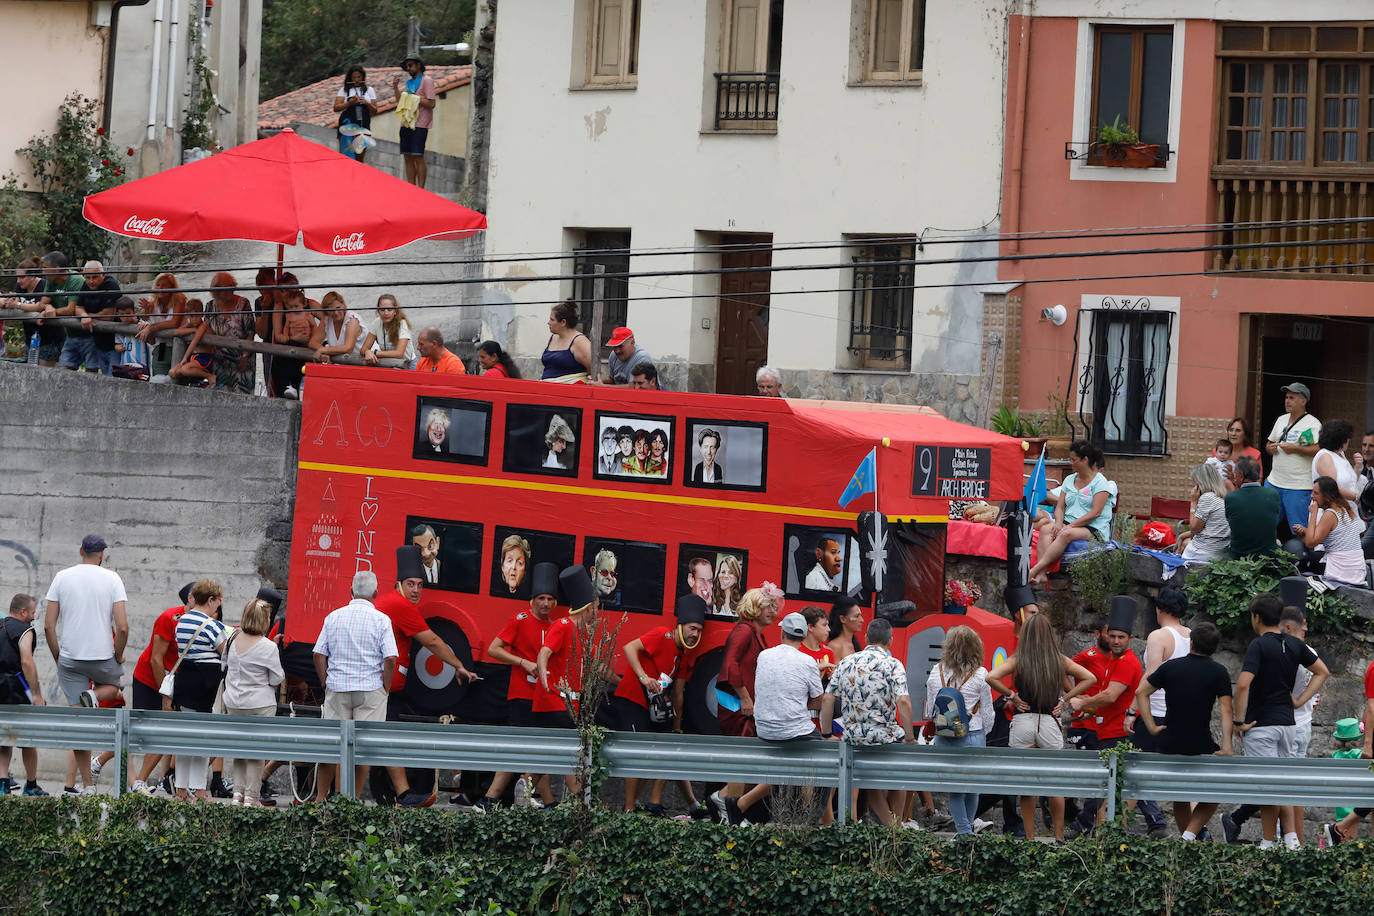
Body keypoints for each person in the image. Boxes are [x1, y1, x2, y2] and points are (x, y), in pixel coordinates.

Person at [373, 546, 477, 807]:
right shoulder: (400, 605)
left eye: (420, 584)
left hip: (384, 689)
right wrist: (458, 666)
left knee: (384, 740)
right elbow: (432, 641)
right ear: (399, 584)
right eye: (410, 584)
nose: (416, 590)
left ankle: (403, 794)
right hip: (379, 688)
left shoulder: (391, 602)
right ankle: (404, 794)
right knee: (386, 741)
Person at [1230, 592, 1328, 850]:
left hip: (1262, 725)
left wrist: (1239, 722)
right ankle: (1292, 838)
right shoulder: (1295, 644)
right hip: (1288, 725)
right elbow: (1322, 671)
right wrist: (1299, 701)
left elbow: (1242, 685)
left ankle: (1267, 841)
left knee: (1265, 785)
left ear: (1257, 617)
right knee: (1282, 782)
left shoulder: (1259, 645)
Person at [986, 614, 1096, 841]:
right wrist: (1065, 700)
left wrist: (1012, 696)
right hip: (1048, 722)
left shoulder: (1019, 659)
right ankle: (1058, 837)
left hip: (1023, 721)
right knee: (1054, 784)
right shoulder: (1059, 659)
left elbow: (991, 676)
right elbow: (1089, 678)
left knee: (1026, 785)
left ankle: (1029, 838)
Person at [718, 611, 824, 827]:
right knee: (825, 761)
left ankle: (741, 805)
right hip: (794, 731)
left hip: (764, 729)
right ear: (804, 637)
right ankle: (811, 818)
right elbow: (818, 702)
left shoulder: (764, 656)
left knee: (789, 764)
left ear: (782, 633)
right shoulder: (808, 661)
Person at [1065, 597, 1160, 837]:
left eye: (1121, 637)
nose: (1115, 641)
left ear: (1130, 639)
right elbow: (1108, 703)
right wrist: (1087, 708)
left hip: (1118, 735)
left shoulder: (1126, 662)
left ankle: (1110, 836)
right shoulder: (1112, 660)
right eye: (1113, 636)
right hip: (1107, 731)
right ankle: (1116, 835)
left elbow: (1110, 696)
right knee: (1108, 789)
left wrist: (1081, 701)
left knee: (1109, 790)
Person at [42, 533, 129, 794]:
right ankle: (93, 694)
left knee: (78, 721)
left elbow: (48, 625)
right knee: (115, 690)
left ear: (81, 550)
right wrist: (118, 654)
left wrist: (59, 658)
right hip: (103, 658)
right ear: (102, 554)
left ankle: (87, 786)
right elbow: (123, 627)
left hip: (70, 658)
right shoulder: (112, 578)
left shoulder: (61, 577)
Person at [1135, 621, 1233, 841]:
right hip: (1200, 742)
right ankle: (1189, 836)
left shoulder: (1171, 667)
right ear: (1214, 648)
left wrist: (1151, 726)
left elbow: (1141, 692)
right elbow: (1227, 709)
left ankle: (1187, 839)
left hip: (1169, 742)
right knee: (1216, 792)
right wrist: (1227, 746)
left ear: (1191, 643)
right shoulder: (1219, 672)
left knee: (1180, 796)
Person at [478, 562, 563, 811]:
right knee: (519, 748)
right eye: (541, 599)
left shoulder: (555, 626)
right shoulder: (520, 619)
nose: (546, 604)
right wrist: (523, 662)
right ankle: (490, 799)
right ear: (532, 600)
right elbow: (494, 649)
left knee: (541, 750)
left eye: (550, 599)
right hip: (522, 695)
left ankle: (546, 801)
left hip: (544, 696)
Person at [611, 594, 706, 815]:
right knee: (636, 754)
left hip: (656, 708)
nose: (695, 634)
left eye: (699, 630)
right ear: (680, 626)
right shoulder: (662, 634)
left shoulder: (684, 655)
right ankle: (629, 808)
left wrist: (676, 727)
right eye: (692, 628)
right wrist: (643, 677)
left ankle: (644, 803)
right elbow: (629, 648)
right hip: (632, 700)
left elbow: (679, 692)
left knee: (664, 750)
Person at [820, 618, 914, 827]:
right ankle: (895, 827)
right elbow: (904, 701)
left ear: (866, 638)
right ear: (890, 640)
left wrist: (826, 734)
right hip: (885, 736)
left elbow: (827, 699)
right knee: (901, 777)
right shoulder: (893, 664)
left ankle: (891, 826)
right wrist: (909, 737)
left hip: (853, 738)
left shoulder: (846, 662)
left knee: (866, 779)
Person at [313, 571, 398, 799]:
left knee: (330, 748)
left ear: (350, 592)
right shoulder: (382, 620)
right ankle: (352, 800)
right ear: (376, 594)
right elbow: (390, 659)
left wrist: (325, 682)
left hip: (337, 688)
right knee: (362, 751)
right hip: (370, 690)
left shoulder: (334, 617)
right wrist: (385, 688)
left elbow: (319, 654)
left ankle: (321, 798)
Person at [709, 585, 783, 822]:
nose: (773, 610)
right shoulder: (744, 631)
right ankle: (730, 809)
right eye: (768, 606)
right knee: (744, 758)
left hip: (745, 707)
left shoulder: (755, 633)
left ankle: (724, 801)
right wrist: (745, 697)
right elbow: (731, 665)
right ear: (755, 607)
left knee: (746, 759)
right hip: (737, 706)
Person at [923, 625, 993, 835]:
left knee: (955, 790)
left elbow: (930, 709)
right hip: (972, 735)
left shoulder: (937, 672)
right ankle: (965, 834)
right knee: (973, 789)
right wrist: (981, 732)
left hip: (944, 737)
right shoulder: (981, 675)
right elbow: (988, 713)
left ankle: (965, 834)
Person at [126, 581, 193, 795]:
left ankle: (139, 782)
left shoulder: (209, 620)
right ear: (190, 600)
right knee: (139, 733)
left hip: (174, 682)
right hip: (149, 678)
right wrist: (164, 694)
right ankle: (100, 763)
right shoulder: (169, 618)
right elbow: (156, 659)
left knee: (163, 733)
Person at [172, 579, 231, 801]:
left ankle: (180, 790)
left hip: (184, 684)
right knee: (203, 738)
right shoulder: (212, 626)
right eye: (218, 600)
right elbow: (226, 653)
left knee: (184, 738)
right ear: (210, 600)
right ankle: (199, 790)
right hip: (205, 687)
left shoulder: (181, 621)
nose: (219, 605)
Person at [222, 598, 284, 806]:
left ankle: (237, 794)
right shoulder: (268, 646)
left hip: (233, 703)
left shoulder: (232, 639)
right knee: (257, 751)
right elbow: (277, 678)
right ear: (265, 620)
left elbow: (224, 665)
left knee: (239, 749)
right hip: (259, 704)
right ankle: (251, 796)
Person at [1029, 441, 1116, 584]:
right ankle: (1042, 575)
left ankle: (1035, 569)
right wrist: (1058, 522)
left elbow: (1095, 513)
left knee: (1065, 534)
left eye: (1073, 460)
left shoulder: (1101, 483)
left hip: (1093, 528)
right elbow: (1060, 506)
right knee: (1046, 529)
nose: (1071, 463)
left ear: (1085, 460)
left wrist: (1070, 526)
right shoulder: (1070, 479)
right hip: (1068, 522)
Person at [181, 272, 263, 393]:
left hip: (242, 361)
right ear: (217, 291)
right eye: (226, 287)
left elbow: (250, 332)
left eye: (232, 286)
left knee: (242, 396)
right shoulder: (210, 307)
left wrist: (245, 355)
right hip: (219, 361)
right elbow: (204, 328)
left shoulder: (243, 304)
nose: (230, 290)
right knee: (220, 395)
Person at [0, 594, 46, 797]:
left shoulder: (0, 626)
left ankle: (2, 784)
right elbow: (27, 661)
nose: (33, 617)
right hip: (17, 687)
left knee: (4, 737)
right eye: (32, 612)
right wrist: (36, 694)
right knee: (28, 737)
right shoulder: (25, 630)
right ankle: (31, 784)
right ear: (23, 612)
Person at [1265, 382, 1322, 536]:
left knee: (1299, 530)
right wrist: (1269, 448)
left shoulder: (1313, 423)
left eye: (1292, 398)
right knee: (1265, 525)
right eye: (1286, 397)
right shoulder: (1281, 419)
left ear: (1303, 401)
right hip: (1274, 482)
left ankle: (1300, 559)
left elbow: (1318, 450)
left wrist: (1295, 448)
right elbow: (1269, 443)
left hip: (1298, 486)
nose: (1287, 401)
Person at [1292, 476, 1367, 587]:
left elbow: (1310, 543)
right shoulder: (1344, 508)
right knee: (1315, 555)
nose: (1311, 496)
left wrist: (1313, 514)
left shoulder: (1330, 514)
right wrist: (1304, 532)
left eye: (1315, 493)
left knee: (1300, 558)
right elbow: (1327, 536)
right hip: (1355, 567)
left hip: (1342, 570)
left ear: (1326, 496)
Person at [392, 55, 436, 187]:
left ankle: (421, 189)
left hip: (420, 124)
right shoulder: (410, 84)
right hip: (406, 123)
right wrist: (395, 88)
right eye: (407, 66)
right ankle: (411, 187)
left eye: (410, 65)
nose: (408, 68)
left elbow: (431, 103)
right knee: (407, 156)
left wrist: (414, 98)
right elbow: (401, 102)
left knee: (418, 156)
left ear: (418, 65)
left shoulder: (426, 80)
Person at [1225, 455, 1281, 558]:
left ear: (1241, 476)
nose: (1234, 477)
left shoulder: (1231, 497)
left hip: (1239, 556)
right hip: (1268, 557)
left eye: (1235, 474)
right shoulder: (1273, 494)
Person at [270, 281, 319, 397]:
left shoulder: (308, 315)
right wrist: (287, 337)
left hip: (306, 345)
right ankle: (290, 386)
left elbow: (315, 327)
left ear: (303, 304)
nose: (294, 309)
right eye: (291, 307)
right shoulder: (289, 316)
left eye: (296, 306)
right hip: (293, 343)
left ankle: (298, 387)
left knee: (300, 366)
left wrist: (314, 340)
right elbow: (286, 328)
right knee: (288, 362)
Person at [1176, 464, 1232, 562]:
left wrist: (1193, 503)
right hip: (1220, 552)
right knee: (1185, 542)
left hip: (1204, 553)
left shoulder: (1208, 498)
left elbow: (1194, 528)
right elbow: (1209, 530)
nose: (1192, 487)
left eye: (1194, 483)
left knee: (1183, 545)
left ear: (1200, 483)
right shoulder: (1223, 498)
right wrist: (1182, 535)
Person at [1312, 418, 1364, 516]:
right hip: (1331, 515)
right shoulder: (1325, 456)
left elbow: (1351, 482)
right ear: (1340, 439)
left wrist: (1358, 467)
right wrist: (1358, 497)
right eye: (1347, 437)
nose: (1349, 440)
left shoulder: (1340, 454)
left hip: (1346, 511)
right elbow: (1333, 489)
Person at [334, 66, 378, 161]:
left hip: (363, 124)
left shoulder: (369, 90)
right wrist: (350, 103)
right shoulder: (344, 90)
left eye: (359, 77)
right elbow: (336, 108)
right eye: (354, 77)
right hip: (347, 124)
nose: (356, 80)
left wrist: (367, 103)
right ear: (350, 78)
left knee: (359, 156)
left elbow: (374, 111)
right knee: (346, 154)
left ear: (363, 77)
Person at [540, 301, 591, 383]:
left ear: (563, 322)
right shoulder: (553, 337)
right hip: (547, 389)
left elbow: (593, 368)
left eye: (552, 320)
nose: (548, 323)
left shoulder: (580, 341)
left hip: (569, 391)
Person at [361, 294, 416, 368]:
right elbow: (363, 349)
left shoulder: (402, 324)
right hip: (389, 363)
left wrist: (374, 352)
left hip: (408, 364)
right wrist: (367, 352)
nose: (386, 313)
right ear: (378, 311)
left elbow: (399, 353)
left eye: (389, 310)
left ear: (395, 311)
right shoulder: (376, 322)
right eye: (382, 310)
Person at [309, 291, 364, 364]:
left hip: (365, 362)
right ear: (326, 312)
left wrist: (323, 350)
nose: (336, 313)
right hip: (344, 364)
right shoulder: (326, 320)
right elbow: (313, 342)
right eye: (331, 310)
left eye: (338, 308)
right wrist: (324, 351)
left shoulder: (352, 320)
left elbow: (348, 348)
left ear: (343, 304)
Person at [1217, 417, 1263, 488]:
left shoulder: (1255, 454)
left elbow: (1258, 482)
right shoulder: (1218, 452)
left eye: (1238, 430)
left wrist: (1234, 481)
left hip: (1243, 495)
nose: (1233, 434)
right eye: (1231, 430)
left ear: (1245, 434)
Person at [826, 597, 865, 664]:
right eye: (856, 616)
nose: (862, 620)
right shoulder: (835, 646)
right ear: (843, 619)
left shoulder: (854, 645)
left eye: (860, 616)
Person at [1355, 430, 1374, 557]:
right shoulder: (1360, 468)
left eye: (1371, 446)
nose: (1366, 449)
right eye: (1364, 445)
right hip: (1362, 521)